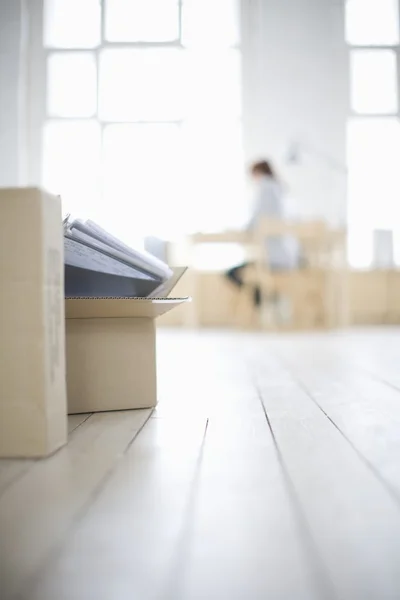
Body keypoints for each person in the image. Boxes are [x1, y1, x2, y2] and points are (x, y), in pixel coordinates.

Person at [225, 159, 299, 307]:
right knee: (245, 272)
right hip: (287, 255)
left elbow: (258, 217)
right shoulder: (279, 190)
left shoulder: (265, 188)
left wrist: (244, 231)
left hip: (270, 258)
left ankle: (263, 299)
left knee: (232, 273)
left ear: (258, 173)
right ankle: (265, 299)